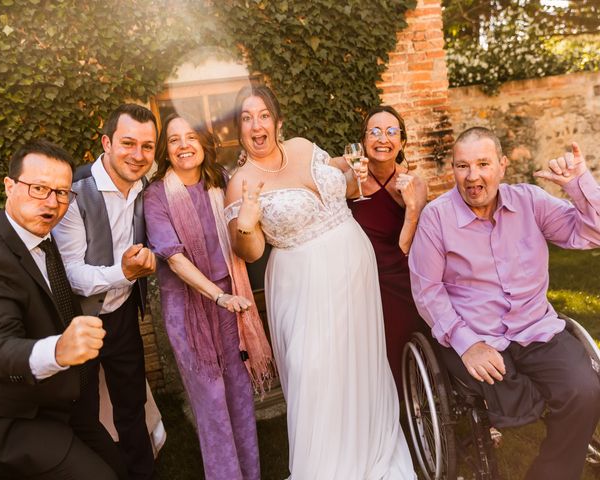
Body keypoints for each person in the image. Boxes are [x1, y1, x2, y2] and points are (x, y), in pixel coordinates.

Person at [224, 85, 415, 479]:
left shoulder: (303, 146)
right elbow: (253, 251)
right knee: (312, 371)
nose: (256, 125)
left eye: (263, 115)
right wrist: (245, 222)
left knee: (358, 364)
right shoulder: (240, 181)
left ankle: (368, 450)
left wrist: (351, 170)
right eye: (246, 118)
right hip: (302, 283)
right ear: (239, 129)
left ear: (277, 122)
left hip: (354, 270)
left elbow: (341, 188)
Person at [409, 126, 600, 480]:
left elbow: (593, 232)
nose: (473, 176)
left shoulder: (530, 201)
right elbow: (427, 291)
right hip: (477, 335)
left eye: (483, 164)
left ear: (502, 166)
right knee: (519, 407)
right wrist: (467, 345)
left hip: (536, 328)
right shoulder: (437, 218)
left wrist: (578, 185)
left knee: (586, 390)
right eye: (462, 166)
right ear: (452, 170)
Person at [0, 139, 128, 479]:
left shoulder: (36, 234)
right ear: (10, 186)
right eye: (39, 189)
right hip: (8, 418)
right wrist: (59, 349)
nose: (52, 203)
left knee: (117, 468)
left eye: (62, 192)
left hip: (55, 402)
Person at [144, 112, 273, 479]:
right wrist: (218, 296)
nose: (184, 145)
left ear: (203, 142)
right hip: (189, 311)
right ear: (166, 151)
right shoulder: (156, 196)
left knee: (239, 396)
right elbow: (174, 258)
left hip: (233, 305)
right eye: (174, 140)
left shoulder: (223, 183)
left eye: (191, 136)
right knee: (213, 404)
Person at [52, 104, 158, 480]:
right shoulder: (74, 193)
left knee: (132, 405)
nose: (138, 155)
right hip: (79, 320)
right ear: (106, 142)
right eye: (128, 143)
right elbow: (73, 275)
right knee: (85, 412)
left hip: (124, 313)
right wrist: (124, 271)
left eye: (147, 146)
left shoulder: (146, 186)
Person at [346, 106, 427, 394]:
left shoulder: (414, 183)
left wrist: (413, 208)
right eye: (375, 132)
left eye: (392, 132)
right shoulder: (348, 181)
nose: (383, 139)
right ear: (364, 140)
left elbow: (407, 246)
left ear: (402, 142)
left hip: (402, 275)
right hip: (362, 282)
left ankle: (416, 398)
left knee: (408, 332)